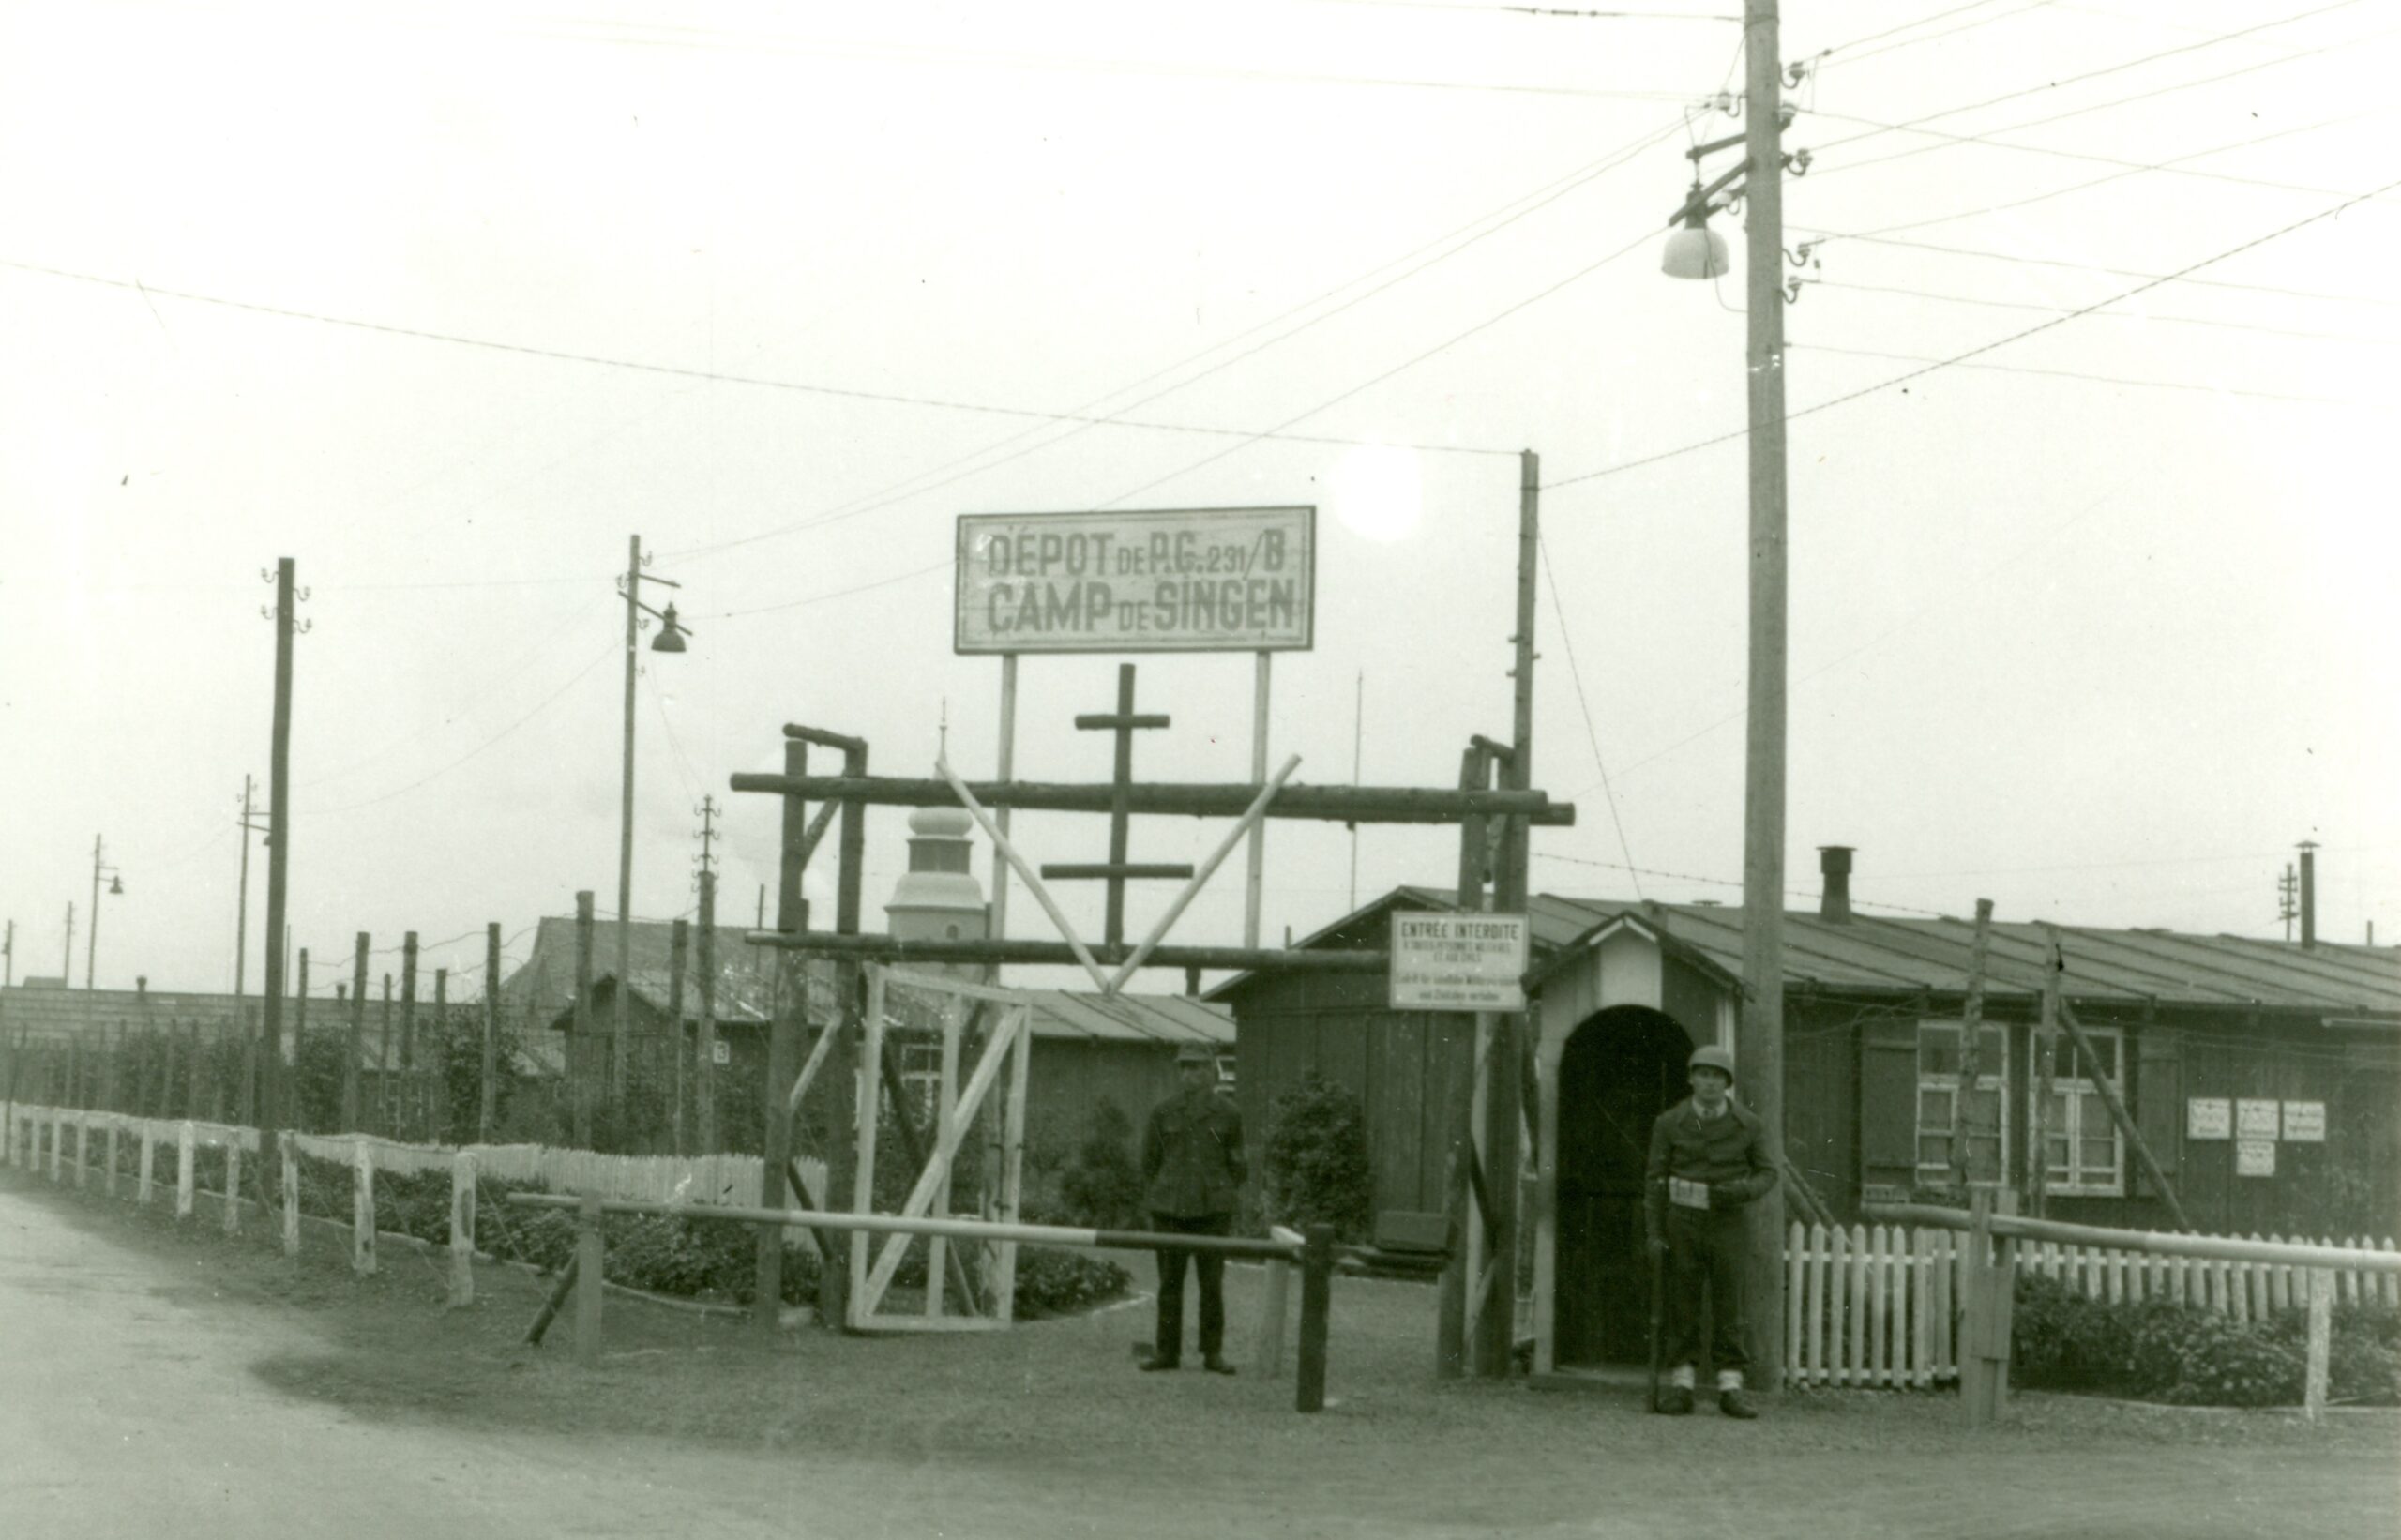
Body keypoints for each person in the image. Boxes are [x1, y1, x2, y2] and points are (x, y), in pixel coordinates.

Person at [1644, 1043, 1778, 1418]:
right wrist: (1654, 1233)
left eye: (1717, 1076)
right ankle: (1682, 1386)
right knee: (1682, 1302)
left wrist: (1744, 1191)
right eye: (1702, 1074)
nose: (1709, 1083)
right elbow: (1654, 1180)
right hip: (1682, 1221)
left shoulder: (1748, 1125)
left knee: (1729, 1304)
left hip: (1728, 1222)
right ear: (1691, 1079)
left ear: (1727, 1083)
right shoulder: (1669, 1123)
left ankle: (1730, 1388)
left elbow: (1768, 1172)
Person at [1139, 1042, 1246, 1374]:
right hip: (1170, 1210)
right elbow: (1149, 1162)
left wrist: (1217, 1192)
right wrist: (1167, 1190)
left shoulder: (1229, 1113)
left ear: (1211, 1071)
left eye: (1197, 1067)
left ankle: (1212, 1353)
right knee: (1169, 1284)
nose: (1190, 1074)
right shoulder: (1163, 1112)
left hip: (1212, 1212)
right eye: (1184, 1067)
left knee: (1211, 1284)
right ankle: (1166, 1352)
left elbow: (1238, 1166)